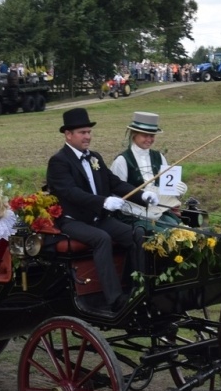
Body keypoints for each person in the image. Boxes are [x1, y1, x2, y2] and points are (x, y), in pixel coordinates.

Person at [45, 107, 157, 312]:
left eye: (89, 132)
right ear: (68, 135)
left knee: (137, 234)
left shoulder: (94, 157)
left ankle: (135, 288)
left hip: (96, 217)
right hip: (72, 220)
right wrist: (103, 202)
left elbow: (114, 182)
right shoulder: (59, 161)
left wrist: (142, 195)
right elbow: (70, 192)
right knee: (101, 238)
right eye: (82, 132)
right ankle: (114, 299)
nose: (87, 136)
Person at [108, 111, 187, 232]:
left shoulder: (159, 157)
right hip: (131, 215)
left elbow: (166, 188)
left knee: (179, 228)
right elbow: (117, 193)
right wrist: (141, 210)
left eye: (152, 135)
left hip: (157, 211)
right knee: (163, 234)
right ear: (134, 134)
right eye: (145, 135)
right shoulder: (122, 161)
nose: (149, 139)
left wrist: (177, 190)